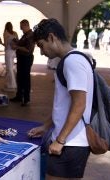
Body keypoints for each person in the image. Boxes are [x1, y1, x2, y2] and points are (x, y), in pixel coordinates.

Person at [28, 18, 93, 179]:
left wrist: (60, 140)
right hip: (71, 141)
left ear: (52, 37)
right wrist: (46, 126)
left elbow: (79, 104)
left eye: (41, 45)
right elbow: (66, 104)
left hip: (71, 143)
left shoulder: (72, 62)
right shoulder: (74, 59)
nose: (42, 52)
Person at [10, 19, 34, 106]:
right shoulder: (25, 35)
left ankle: (26, 99)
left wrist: (16, 46)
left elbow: (28, 49)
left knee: (25, 79)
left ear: (25, 25)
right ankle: (19, 96)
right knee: (19, 77)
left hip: (26, 58)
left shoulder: (30, 35)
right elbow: (21, 44)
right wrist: (16, 41)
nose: (20, 28)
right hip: (21, 58)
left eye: (21, 27)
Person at [0, 22, 18, 91]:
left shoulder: (6, 33)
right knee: (12, 68)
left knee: (9, 68)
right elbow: (18, 42)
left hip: (8, 51)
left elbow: (6, 45)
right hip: (14, 51)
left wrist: (0, 43)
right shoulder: (15, 33)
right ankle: (13, 83)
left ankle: (11, 84)